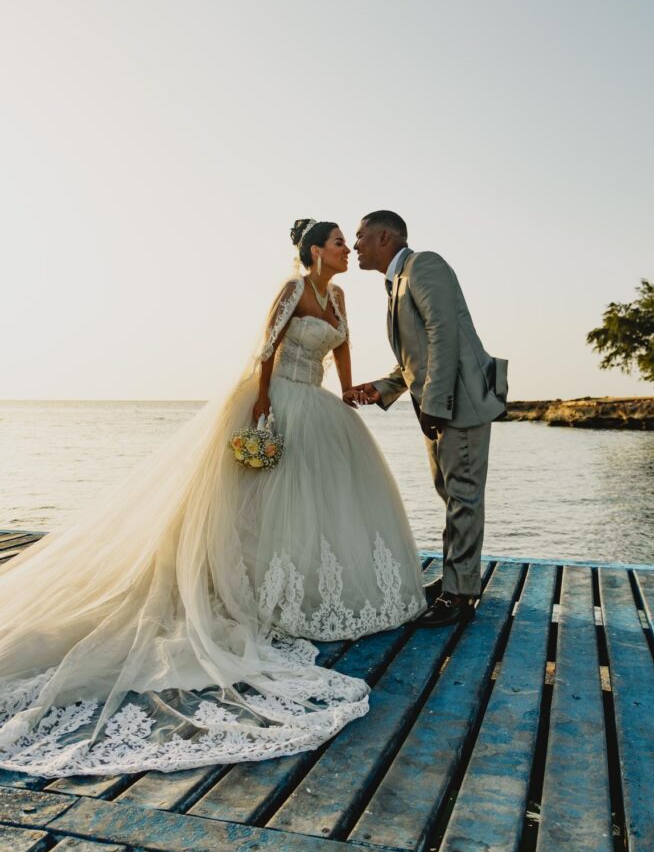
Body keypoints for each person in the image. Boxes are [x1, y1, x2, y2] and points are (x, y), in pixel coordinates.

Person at [0, 218, 425, 777]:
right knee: (259, 503)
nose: (348, 249)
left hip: (319, 407)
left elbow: (342, 352)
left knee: (319, 509)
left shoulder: (340, 295)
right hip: (275, 401)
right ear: (315, 250)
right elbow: (266, 349)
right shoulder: (294, 289)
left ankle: (309, 589)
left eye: (351, 242)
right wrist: (263, 404)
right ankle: (246, 584)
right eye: (339, 242)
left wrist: (349, 393)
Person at [347, 211, 507, 627]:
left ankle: (458, 595)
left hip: (459, 402)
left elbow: (443, 333)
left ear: (385, 237)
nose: (355, 244)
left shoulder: (425, 264)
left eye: (361, 236)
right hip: (438, 403)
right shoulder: (395, 282)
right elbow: (416, 357)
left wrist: (436, 403)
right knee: (452, 493)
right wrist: (382, 388)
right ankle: (459, 580)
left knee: (464, 494)